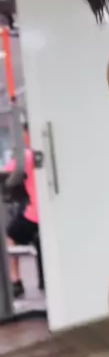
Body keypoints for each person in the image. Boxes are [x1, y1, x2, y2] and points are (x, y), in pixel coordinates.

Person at [3, 124, 41, 298]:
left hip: (36, 214)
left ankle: (15, 280)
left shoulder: (26, 156)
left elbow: (6, 174)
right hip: (42, 213)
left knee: (11, 233)